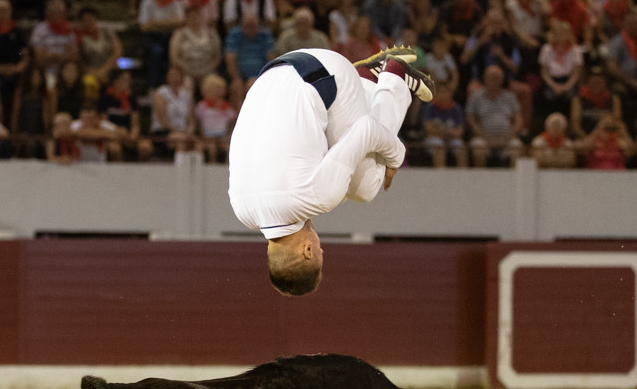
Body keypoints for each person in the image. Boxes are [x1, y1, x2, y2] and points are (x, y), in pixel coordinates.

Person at [227, 47, 433, 296]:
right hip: (269, 76)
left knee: (364, 187)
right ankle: (365, 80)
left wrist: (396, 157)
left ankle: (394, 77)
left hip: (324, 71)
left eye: (320, 251)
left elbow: (366, 130)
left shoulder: (313, 197)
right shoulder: (242, 211)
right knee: (344, 175)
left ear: (308, 252)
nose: (320, 245)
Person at [467, 64, 524, 167]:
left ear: (502, 79)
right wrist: (483, 136)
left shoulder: (510, 97)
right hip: (483, 138)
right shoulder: (475, 97)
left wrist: (509, 136)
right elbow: (471, 119)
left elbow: (518, 119)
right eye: (491, 77)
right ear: (485, 78)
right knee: (478, 147)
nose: (494, 80)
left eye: (497, 77)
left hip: (507, 139)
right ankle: (479, 175)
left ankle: (515, 176)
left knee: (516, 146)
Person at [137, 0, 184, 91]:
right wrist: (169, 23)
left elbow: (180, 22)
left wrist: (155, 23)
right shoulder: (148, 2)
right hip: (153, 37)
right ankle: (154, 87)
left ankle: (175, 87)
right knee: (157, 52)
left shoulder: (175, 1)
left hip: (171, 36)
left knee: (176, 51)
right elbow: (144, 27)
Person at [98, 68, 151, 161]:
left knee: (146, 147)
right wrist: (118, 132)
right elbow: (104, 122)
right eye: (125, 80)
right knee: (115, 149)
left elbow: (135, 123)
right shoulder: (105, 98)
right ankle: (118, 170)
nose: (129, 83)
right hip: (112, 134)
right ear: (116, 82)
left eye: (129, 80)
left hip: (128, 134)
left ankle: (140, 169)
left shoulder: (132, 99)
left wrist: (133, 135)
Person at [225, 12, 275, 108]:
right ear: (242, 25)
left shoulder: (265, 34)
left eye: (253, 26)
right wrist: (236, 78)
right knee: (237, 88)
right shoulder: (234, 34)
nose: (250, 29)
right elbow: (230, 57)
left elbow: (271, 58)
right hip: (239, 74)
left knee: (252, 85)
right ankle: (239, 115)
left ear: (258, 26)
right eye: (247, 26)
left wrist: (267, 77)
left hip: (260, 74)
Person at [170, 4, 223, 87]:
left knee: (212, 84)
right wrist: (189, 71)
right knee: (187, 84)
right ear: (186, 18)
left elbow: (217, 56)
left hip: (208, 70)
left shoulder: (211, 33)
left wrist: (206, 70)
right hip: (187, 72)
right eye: (190, 17)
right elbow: (174, 58)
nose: (193, 19)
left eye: (195, 16)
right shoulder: (179, 34)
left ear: (200, 16)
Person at [150, 63, 194, 159]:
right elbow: (164, 122)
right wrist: (180, 131)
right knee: (181, 141)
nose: (175, 78)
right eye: (172, 75)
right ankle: (180, 168)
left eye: (177, 75)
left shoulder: (185, 95)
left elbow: (190, 119)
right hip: (164, 131)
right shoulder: (161, 93)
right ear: (167, 77)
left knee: (196, 143)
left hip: (183, 131)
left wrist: (190, 130)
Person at [423, 81, 467, 167]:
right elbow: (429, 129)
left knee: (460, 146)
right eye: (439, 92)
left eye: (444, 92)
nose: (442, 95)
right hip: (434, 138)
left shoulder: (456, 108)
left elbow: (460, 131)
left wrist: (447, 133)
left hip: (451, 138)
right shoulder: (430, 107)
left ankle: (463, 172)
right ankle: (440, 172)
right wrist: (446, 132)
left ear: (450, 94)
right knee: (438, 145)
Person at [194, 72, 234, 163]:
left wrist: (227, 135)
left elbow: (232, 121)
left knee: (229, 147)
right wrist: (202, 135)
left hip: (222, 136)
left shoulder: (226, 106)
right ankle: (211, 167)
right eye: (215, 89)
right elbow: (198, 122)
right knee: (211, 148)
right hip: (207, 136)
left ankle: (227, 167)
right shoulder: (202, 106)